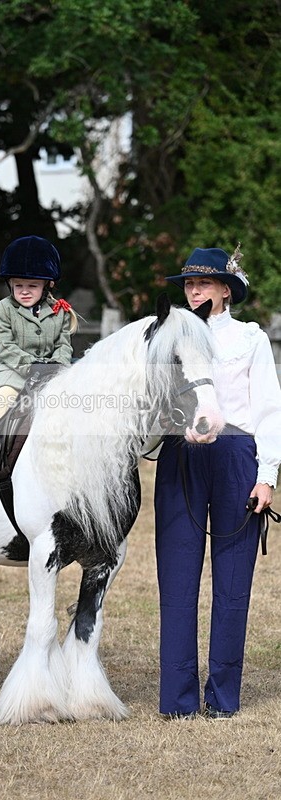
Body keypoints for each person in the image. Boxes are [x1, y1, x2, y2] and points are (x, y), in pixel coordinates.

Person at [155, 244, 281, 719]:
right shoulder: (166, 337)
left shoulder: (250, 339)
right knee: (177, 579)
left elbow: (269, 409)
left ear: (225, 291)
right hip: (180, 458)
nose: (193, 291)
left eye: (202, 283)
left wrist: (266, 477)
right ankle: (179, 701)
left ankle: (223, 698)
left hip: (235, 458)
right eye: (188, 284)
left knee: (232, 585)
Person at [0, 235, 77, 470]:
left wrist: (58, 364)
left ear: (48, 285)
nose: (25, 291)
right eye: (19, 286)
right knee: (6, 392)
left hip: (52, 371)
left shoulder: (60, 313)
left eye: (32, 286)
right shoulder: (0, 311)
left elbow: (64, 344)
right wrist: (30, 365)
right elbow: (4, 346)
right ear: (10, 284)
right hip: (14, 370)